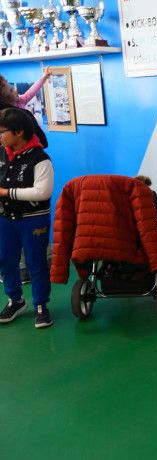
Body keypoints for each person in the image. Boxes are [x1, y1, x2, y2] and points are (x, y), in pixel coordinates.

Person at [0, 107, 54, 328]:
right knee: (5, 261)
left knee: (36, 263)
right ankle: (15, 300)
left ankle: (40, 305)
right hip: (5, 219)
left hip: (33, 218)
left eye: (2, 131)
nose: (0, 136)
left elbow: (43, 192)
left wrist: (6, 193)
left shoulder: (40, 158)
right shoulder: (2, 152)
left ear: (19, 132)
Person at [0, 74, 48, 148]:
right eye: (11, 90)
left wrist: (44, 78)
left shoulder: (21, 101)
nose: (16, 91)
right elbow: (42, 142)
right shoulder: (21, 115)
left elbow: (31, 92)